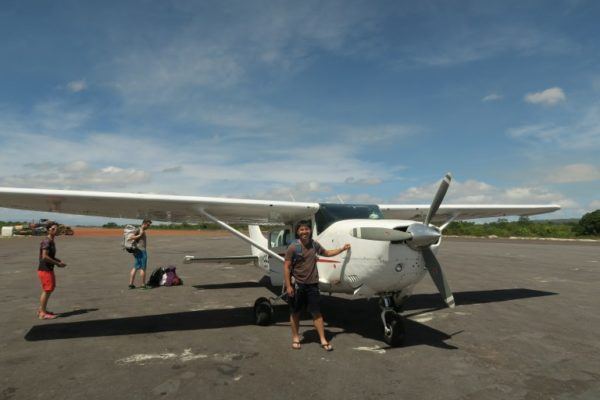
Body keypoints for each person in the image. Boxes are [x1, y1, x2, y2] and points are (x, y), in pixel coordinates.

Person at [284, 220, 351, 351]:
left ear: (310, 231)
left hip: (313, 285)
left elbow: (326, 253)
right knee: (296, 313)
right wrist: (288, 286)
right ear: (297, 232)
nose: (304, 232)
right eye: (301, 230)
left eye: (306, 229)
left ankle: (323, 339)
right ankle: (296, 338)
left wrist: (342, 249)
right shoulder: (293, 247)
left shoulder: (314, 245)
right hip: (298, 285)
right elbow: (286, 267)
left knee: (317, 313)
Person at [37, 222, 67, 319]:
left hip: (48, 268)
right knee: (47, 290)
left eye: (56, 229)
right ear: (48, 230)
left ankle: (42, 310)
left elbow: (50, 256)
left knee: (49, 288)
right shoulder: (47, 241)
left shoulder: (51, 241)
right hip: (45, 269)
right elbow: (44, 256)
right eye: (53, 229)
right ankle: (42, 313)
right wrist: (57, 264)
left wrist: (58, 260)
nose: (55, 230)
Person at [128, 219, 152, 289]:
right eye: (148, 225)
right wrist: (140, 235)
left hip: (137, 251)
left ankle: (131, 284)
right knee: (143, 268)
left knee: (135, 267)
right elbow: (130, 237)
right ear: (144, 223)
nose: (148, 226)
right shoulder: (139, 229)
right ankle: (143, 285)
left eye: (149, 225)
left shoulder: (140, 229)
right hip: (141, 251)